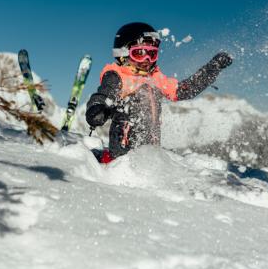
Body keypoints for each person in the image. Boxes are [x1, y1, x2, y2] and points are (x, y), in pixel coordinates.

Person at [86, 22, 232, 163]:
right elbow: (103, 95)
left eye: (152, 54)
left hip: (150, 156)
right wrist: (97, 108)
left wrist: (212, 68)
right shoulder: (118, 76)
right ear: (123, 54)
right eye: (140, 53)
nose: (147, 60)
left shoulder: (155, 78)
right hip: (123, 158)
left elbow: (183, 90)